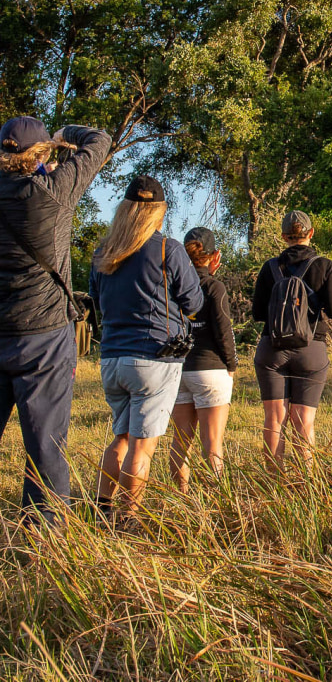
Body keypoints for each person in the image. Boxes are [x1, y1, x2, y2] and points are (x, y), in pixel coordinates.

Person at [0, 116, 111, 525]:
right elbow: (99, 141)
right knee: (45, 443)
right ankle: (44, 537)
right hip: (43, 334)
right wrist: (66, 135)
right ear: (42, 154)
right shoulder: (53, 191)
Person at [89, 176, 202, 526]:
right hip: (154, 357)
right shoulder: (168, 248)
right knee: (143, 445)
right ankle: (128, 518)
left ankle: (100, 510)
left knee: (120, 439)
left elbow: (96, 300)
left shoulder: (104, 252)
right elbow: (194, 300)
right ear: (159, 212)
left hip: (111, 357)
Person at [251, 210, 332, 473]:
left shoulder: (269, 268)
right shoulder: (324, 265)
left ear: (283, 237)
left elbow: (258, 313)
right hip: (311, 349)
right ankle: (308, 483)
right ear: (311, 233)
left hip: (272, 349)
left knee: (274, 419)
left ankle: (273, 484)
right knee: (304, 420)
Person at [169, 227, 238, 492]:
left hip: (179, 368)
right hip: (211, 368)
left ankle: (181, 496)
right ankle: (218, 498)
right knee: (212, 443)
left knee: (180, 440)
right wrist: (231, 365)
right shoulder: (214, 287)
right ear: (215, 256)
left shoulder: (172, 287)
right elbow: (224, 330)